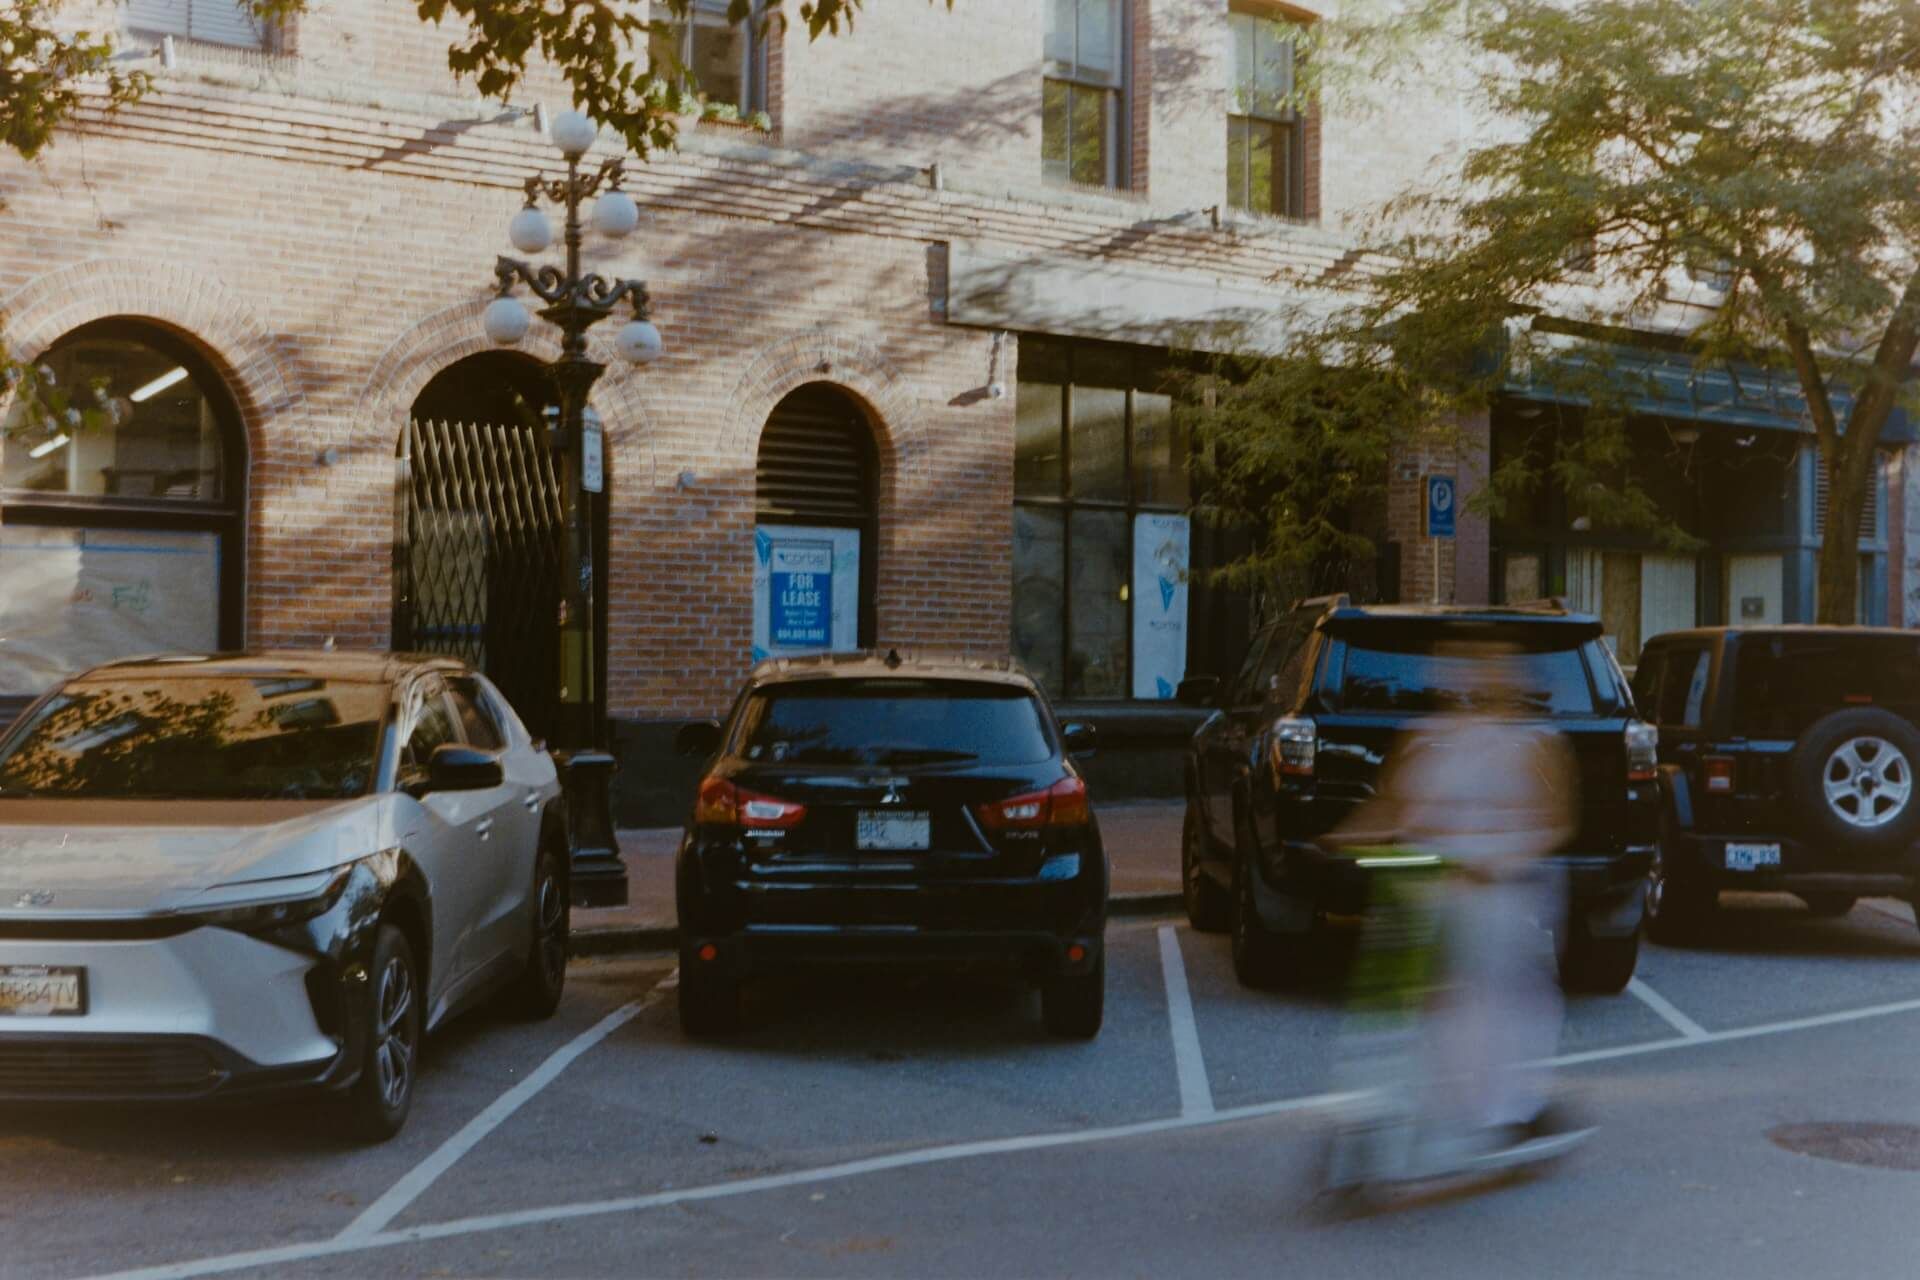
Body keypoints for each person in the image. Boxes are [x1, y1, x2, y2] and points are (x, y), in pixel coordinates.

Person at [1335, 642, 1580, 1152]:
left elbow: (1559, 821)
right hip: (1434, 890)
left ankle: (1511, 1113)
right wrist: (1347, 837)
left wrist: (1507, 856)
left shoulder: (1535, 741)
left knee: (1508, 1005)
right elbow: (1396, 806)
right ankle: (1442, 1114)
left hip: (1504, 892)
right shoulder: (1429, 737)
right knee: (1441, 1006)